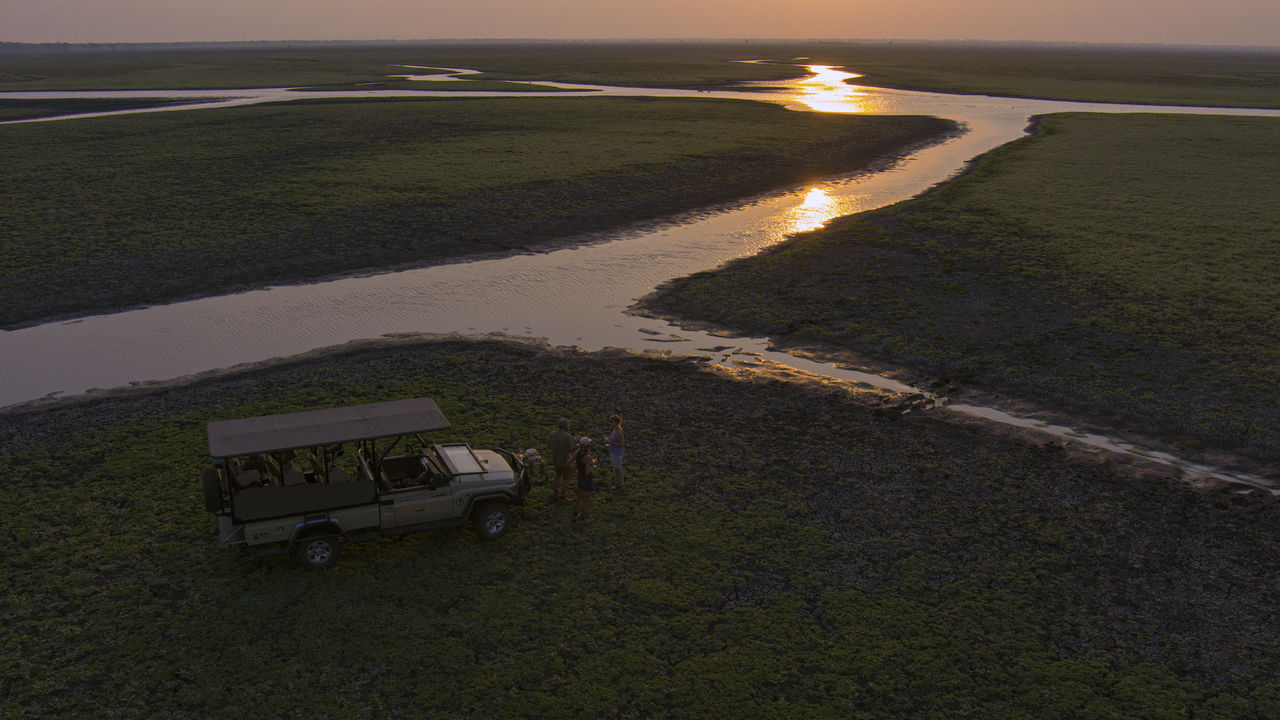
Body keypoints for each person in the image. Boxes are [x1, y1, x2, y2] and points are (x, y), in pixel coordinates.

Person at [548, 418, 575, 503]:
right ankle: (563, 497)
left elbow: (548, 446)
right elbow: (572, 449)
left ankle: (556, 491)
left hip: (555, 459)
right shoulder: (567, 436)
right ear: (564, 426)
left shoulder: (552, 434)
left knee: (557, 475)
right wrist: (576, 442)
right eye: (567, 424)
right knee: (566, 479)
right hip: (565, 461)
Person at [573, 436, 596, 524]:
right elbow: (587, 472)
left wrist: (575, 471)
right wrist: (593, 466)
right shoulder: (587, 457)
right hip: (587, 480)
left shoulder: (576, 453)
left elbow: (568, 463)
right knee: (586, 500)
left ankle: (575, 514)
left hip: (580, 478)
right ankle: (583, 517)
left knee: (579, 497)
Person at [604, 414, 626, 490]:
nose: (610, 423)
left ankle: (620, 485)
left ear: (616, 422)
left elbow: (622, 444)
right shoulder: (614, 429)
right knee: (616, 469)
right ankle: (619, 483)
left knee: (618, 469)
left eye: (611, 421)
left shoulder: (619, 431)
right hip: (613, 451)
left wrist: (611, 443)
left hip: (617, 453)